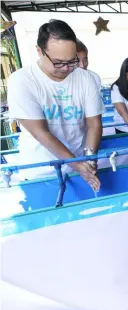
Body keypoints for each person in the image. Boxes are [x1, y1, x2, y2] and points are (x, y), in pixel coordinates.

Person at [7, 19, 103, 190]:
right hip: (41, 170)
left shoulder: (86, 78)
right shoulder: (22, 81)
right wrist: (77, 164)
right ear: (39, 50)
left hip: (79, 167)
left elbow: (94, 124)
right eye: (58, 62)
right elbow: (41, 132)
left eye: (72, 61)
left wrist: (89, 158)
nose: (66, 68)